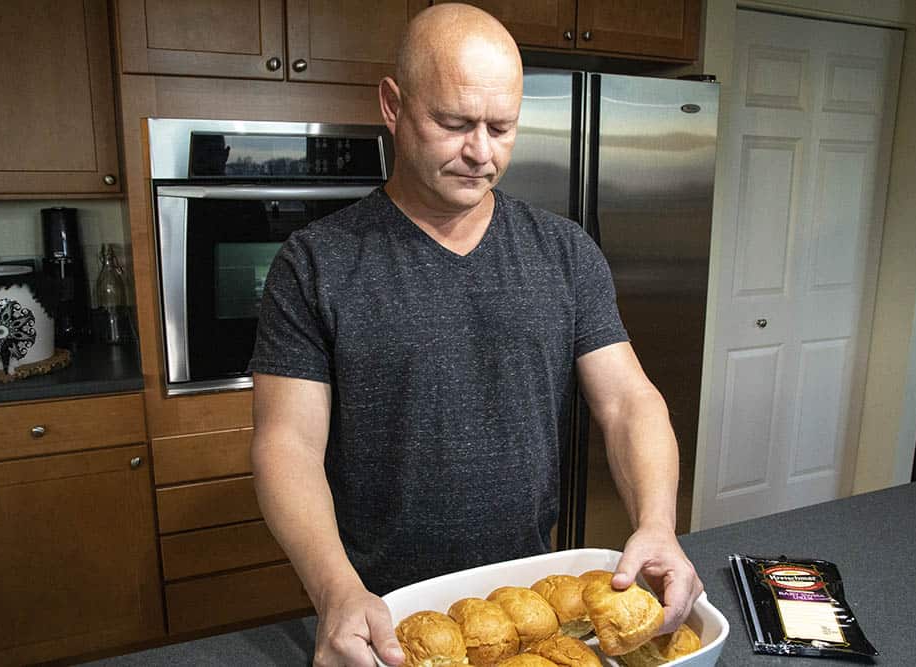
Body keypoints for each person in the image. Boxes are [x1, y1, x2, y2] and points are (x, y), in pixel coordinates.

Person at [249, 4, 702, 666]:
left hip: (530, 608)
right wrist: (335, 589)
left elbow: (628, 401)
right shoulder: (315, 262)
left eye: (502, 127)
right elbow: (286, 444)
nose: (481, 152)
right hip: (382, 618)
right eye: (454, 123)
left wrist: (658, 524)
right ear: (393, 104)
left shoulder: (563, 251)